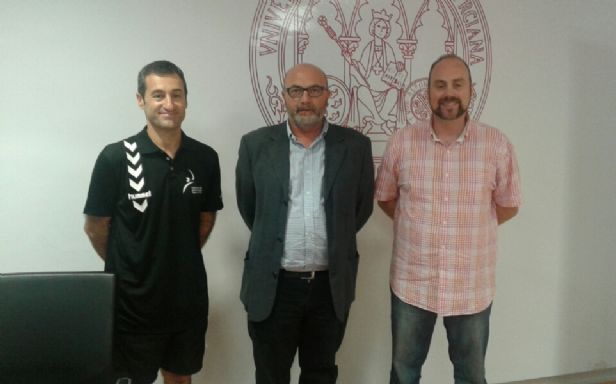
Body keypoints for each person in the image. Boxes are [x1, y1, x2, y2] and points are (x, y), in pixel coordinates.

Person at [375, 54, 522, 384]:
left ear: (471, 90)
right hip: (413, 280)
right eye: (439, 85)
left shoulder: (496, 144)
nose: (448, 93)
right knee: (403, 372)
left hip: (470, 283)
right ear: (427, 91)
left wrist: (471, 228)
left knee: (471, 375)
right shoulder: (402, 142)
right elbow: (385, 197)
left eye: (457, 85)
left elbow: (509, 204)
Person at [83, 60, 223, 384]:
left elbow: (205, 219)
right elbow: (95, 227)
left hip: (186, 302)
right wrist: (133, 262)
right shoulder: (115, 157)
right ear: (140, 100)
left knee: (180, 379)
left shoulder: (205, 158)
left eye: (177, 95)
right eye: (158, 95)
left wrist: (174, 256)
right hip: (132, 306)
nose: (169, 104)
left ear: (187, 100)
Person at [235, 63, 374, 384]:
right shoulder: (255, 145)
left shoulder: (354, 147)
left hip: (329, 287)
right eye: (295, 91)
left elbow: (360, 209)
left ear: (328, 96)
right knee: (271, 375)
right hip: (274, 286)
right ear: (283, 97)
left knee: (321, 374)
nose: (305, 99)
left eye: (315, 90)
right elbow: (251, 209)